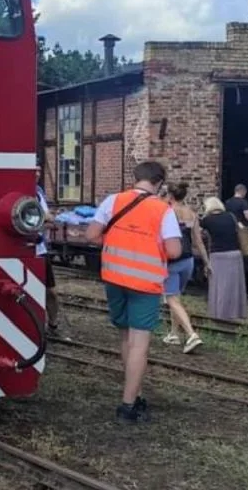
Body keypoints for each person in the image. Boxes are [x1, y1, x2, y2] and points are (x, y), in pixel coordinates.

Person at [85, 160, 182, 424]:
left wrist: (118, 242)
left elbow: (92, 235)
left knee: (126, 337)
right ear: (160, 183)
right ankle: (128, 406)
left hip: (114, 279)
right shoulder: (163, 210)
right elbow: (174, 251)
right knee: (140, 343)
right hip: (145, 283)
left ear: (135, 177)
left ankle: (135, 393)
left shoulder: (112, 201)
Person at [161, 183, 205, 354]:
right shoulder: (191, 214)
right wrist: (207, 263)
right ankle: (173, 334)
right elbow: (198, 241)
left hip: (171, 261)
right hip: (188, 260)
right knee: (177, 298)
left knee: (172, 299)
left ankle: (191, 334)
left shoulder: (166, 212)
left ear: (170, 196)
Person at [200, 198, 248, 322]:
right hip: (235, 253)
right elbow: (241, 228)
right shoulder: (231, 216)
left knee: (219, 286)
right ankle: (236, 313)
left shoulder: (206, 220)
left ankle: (220, 314)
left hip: (218, 255)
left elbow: (198, 234)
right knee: (235, 285)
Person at [36, 185, 68, 340]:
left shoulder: (38, 193)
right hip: (22, 251)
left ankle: (53, 325)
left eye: (38, 169)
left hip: (40, 250)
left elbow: (49, 220)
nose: (37, 172)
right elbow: (45, 220)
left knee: (51, 292)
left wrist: (43, 220)